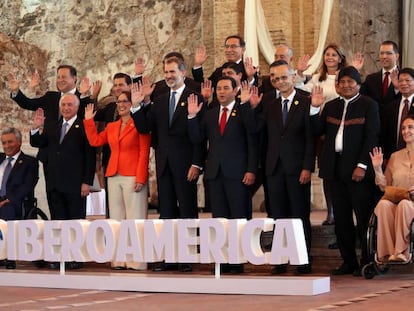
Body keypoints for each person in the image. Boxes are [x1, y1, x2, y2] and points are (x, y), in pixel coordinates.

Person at [131, 56, 205, 272]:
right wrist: (137, 106)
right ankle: (170, 258)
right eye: (166, 72)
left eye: (172, 72)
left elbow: (199, 138)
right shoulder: (160, 100)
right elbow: (145, 128)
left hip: (186, 166)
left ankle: (187, 258)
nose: (168, 76)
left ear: (183, 73)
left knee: (187, 211)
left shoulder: (195, 97)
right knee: (167, 212)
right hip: (164, 166)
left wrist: (197, 164)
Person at [311, 66, 380, 276]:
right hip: (334, 170)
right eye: (343, 82)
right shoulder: (331, 106)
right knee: (341, 220)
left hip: (358, 171)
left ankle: (368, 261)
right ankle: (348, 262)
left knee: (363, 218)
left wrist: (362, 165)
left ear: (358, 85)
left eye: (351, 82)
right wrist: (314, 109)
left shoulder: (369, 105)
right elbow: (316, 132)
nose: (347, 85)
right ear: (337, 85)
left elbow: (372, 136)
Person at [250, 60, 316, 275]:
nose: (280, 81)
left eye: (283, 77)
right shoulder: (267, 102)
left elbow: (310, 138)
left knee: (299, 215)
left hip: (298, 169)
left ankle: (303, 260)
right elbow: (258, 131)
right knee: (277, 216)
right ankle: (279, 260)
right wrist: (251, 107)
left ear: (292, 77)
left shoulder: (306, 101)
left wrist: (307, 166)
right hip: (274, 169)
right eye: (275, 78)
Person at [187, 76, 258, 273]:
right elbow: (197, 139)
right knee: (220, 220)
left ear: (235, 91)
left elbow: (253, 141)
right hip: (215, 174)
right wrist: (192, 117)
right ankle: (223, 260)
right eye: (218, 88)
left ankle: (237, 261)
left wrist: (252, 169)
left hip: (238, 173)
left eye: (226, 88)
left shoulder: (243, 111)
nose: (221, 91)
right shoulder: (210, 114)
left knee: (238, 219)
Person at [7, 65, 93, 211]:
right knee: (55, 207)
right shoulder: (50, 97)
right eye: (58, 77)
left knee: (74, 213)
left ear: (74, 78)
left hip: (74, 166)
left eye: (64, 77)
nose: (60, 80)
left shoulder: (82, 98)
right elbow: (29, 104)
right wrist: (16, 91)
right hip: (50, 159)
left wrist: (84, 96)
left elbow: (88, 119)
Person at [84, 91, 151, 270]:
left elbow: (144, 152)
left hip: (133, 175)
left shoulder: (140, 124)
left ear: (132, 102)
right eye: (119, 101)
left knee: (135, 219)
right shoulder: (112, 126)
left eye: (125, 101)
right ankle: (119, 260)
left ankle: (137, 261)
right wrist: (89, 121)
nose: (121, 105)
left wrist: (141, 177)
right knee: (116, 219)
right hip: (113, 175)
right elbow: (95, 141)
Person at [30, 93, 96, 270]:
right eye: (64, 105)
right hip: (54, 183)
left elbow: (90, 157)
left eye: (70, 105)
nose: (66, 108)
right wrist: (36, 128)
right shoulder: (53, 126)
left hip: (75, 184)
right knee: (58, 221)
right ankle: (60, 256)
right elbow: (38, 143)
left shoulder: (83, 126)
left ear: (77, 107)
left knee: (75, 222)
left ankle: (76, 257)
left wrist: (86, 182)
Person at [302, 43, 362, 226]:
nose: (330, 58)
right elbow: (300, 92)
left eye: (334, 55)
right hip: (325, 131)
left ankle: (348, 213)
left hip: (347, 132)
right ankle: (331, 212)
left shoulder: (347, 77)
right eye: (327, 54)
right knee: (328, 174)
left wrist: (356, 70)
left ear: (340, 58)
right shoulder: (316, 78)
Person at [370, 116, 414, 263]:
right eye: (403, 128)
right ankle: (388, 254)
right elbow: (384, 186)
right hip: (398, 198)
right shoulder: (395, 157)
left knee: (404, 205)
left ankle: (402, 252)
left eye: (410, 127)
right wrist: (377, 168)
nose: (406, 131)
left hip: (410, 204)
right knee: (383, 204)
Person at [0, 127, 39, 269]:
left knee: (7, 210)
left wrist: (7, 199)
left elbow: (28, 185)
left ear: (19, 142)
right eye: (4, 143)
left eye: (10, 142)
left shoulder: (29, 162)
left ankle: (9, 255)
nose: (6, 146)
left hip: (14, 201)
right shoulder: (0, 159)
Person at [192, 35, 258, 87]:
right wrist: (198, 66)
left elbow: (255, 91)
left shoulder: (249, 70)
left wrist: (250, 78)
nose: (229, 50)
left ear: (243, 50)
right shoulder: (219, 71)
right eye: (227, 47)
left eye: (233, 46)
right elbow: (203, 87)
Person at [380, 67, 414, 161]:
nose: (403, 83)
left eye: (407, 80)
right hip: (394, 157)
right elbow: (385, 134)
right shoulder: (390, 107)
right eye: (400, 80)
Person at [361, 40, 401, 114]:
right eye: (381, 53)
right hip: (375, 121)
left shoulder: (404, 77)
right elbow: (359, 95)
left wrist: (397, 89)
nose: (384, 56)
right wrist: (355, 70)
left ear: (397, 56)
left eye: (388, 53)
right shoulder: (370, 79)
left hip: (396, 121)